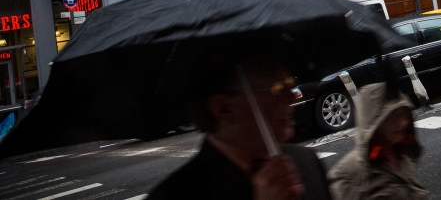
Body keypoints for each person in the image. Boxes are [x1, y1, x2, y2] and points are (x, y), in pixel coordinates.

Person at [149, 51, 331, 200]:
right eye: (276, 87)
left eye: (289, 82)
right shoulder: (174, 194)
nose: (291, 96)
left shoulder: (306, 161)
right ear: (223, 109)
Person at [327, 83, 426, 200]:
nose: (403, 123)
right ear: (374, 121)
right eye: (394, 116)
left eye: (404, 115)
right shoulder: (349, 173)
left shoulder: (401, 155)